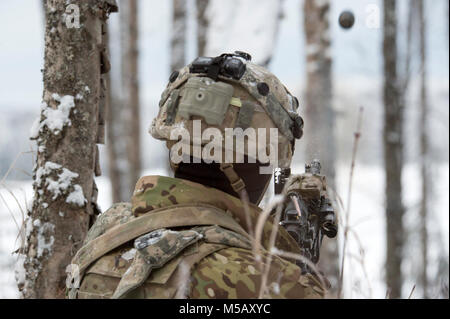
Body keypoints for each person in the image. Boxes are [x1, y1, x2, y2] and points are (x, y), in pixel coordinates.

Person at [67, 52, 335, 299]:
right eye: (267, 163)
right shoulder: (273, 281)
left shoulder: (108, 230)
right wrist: (299, 271)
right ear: (250, 162)